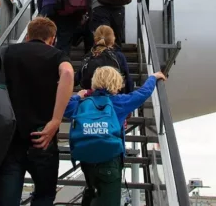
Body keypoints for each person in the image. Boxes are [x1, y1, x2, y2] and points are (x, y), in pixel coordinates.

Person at [0, 17, 75, 206]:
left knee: (7, 199)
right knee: (44, 196)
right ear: (52, 38)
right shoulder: (57, 56)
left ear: (27, 36)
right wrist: (56, 120)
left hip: (10, 139)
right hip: (42, 138)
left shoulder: (5, 52)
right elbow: (68, 73)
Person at [64, 67, 167, 206]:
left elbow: (65, 107)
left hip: (86, 161)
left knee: (93, 197)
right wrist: (153, 78)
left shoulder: (83, 104)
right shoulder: (119, 102)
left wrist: (78, 96)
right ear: (116, 83)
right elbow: (142, 93)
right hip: (110, 161)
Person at [75, 25, 134, 94]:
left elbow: (77, 79)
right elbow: (127, 79)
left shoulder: (88, 57)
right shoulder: (119, 56)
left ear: (95, 39)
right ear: (113, 39)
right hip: (114, 97)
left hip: (91, 97)